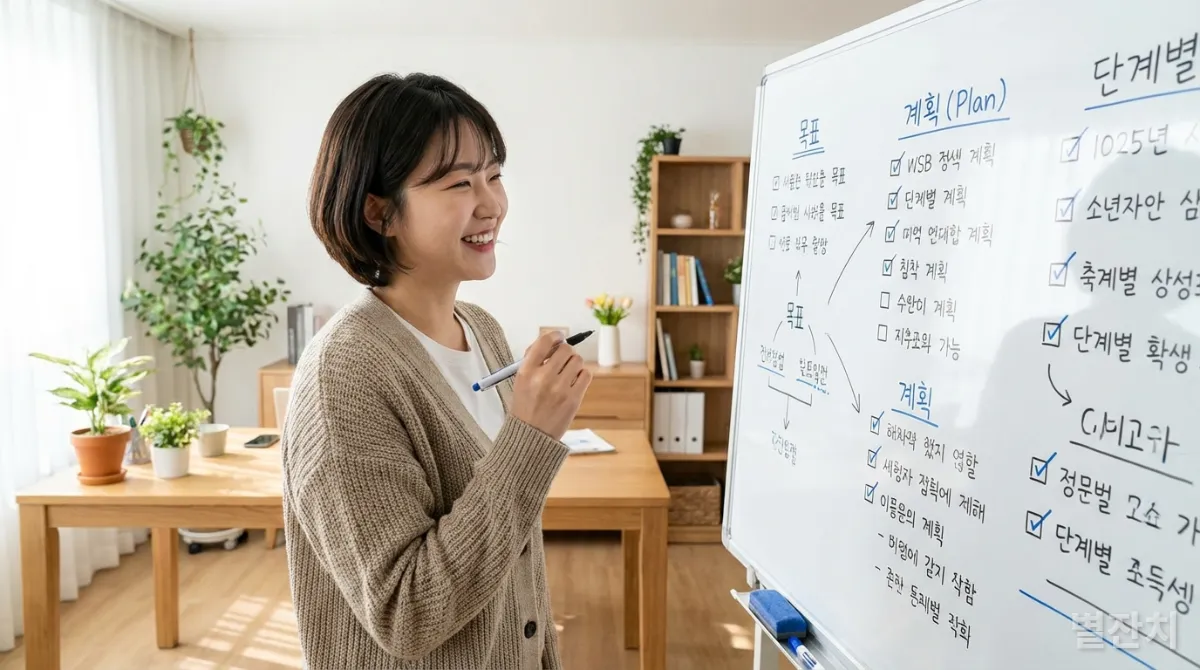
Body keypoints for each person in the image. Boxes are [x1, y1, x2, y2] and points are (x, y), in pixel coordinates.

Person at [280, 72, 593, 670]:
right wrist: (530, 436)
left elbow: (512, 555)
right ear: (379, 212)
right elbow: (407, 612)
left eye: (495, 175)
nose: (492, 204)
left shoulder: (482, 328)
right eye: (458, 183)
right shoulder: (343, 376)